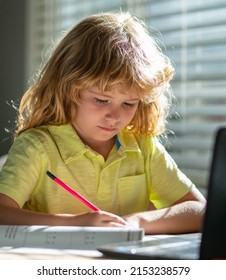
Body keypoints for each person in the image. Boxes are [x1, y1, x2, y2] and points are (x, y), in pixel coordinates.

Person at [0, 11, 206, 234]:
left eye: (128, 103)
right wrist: (75, 224)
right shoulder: (37, 146)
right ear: (67, 88)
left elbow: (200, 209)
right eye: (101, 100)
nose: (114, 116)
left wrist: (137, 221)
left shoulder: (142, 147)